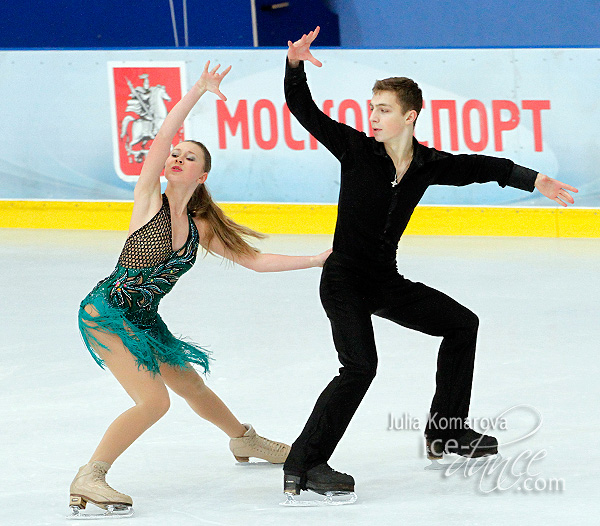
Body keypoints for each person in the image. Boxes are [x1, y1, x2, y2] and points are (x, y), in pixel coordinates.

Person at [281, 27, 578, 498]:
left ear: (410, 116)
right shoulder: (356, 150)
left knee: (461, 325)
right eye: (371, 107)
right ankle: (305, 463)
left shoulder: (426, 164)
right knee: (359, 368)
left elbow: (483, 167)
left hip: (384, 280)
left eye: (383, 109)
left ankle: (447, 431)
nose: (372, 116)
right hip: (344, 280)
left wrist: (534, 178)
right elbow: (305, 110)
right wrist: (295, 65)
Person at [69, 61, 331, 517]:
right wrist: (198, 90)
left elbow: (256, 261)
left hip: (145, 319)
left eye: (189, 158)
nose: (177, 158)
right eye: (177, 154)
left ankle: (244, 440)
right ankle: (91, 475)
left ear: (202, 176)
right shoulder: (149, 196)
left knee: (192, 385)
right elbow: (162, 135)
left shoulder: (200, 227)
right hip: (106, 311)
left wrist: (316, 259)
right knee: (154, 402)